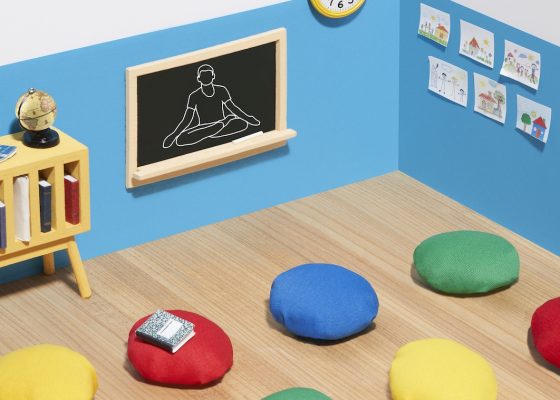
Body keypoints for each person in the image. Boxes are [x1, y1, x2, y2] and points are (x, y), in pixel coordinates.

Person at [163, 64, 260, 148]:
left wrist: (248, 118)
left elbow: (232, 107)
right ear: (199, 78)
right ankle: (222, 123)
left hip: (215, 128)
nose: (206, 78)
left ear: (213, 76)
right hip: (206, 126)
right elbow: (187, 119)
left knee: (242, 123)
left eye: (208, 75)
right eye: (203, 76)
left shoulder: (221, 90)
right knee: (180, 140)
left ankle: (213, 129)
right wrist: (173, 135)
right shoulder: (194, 96)